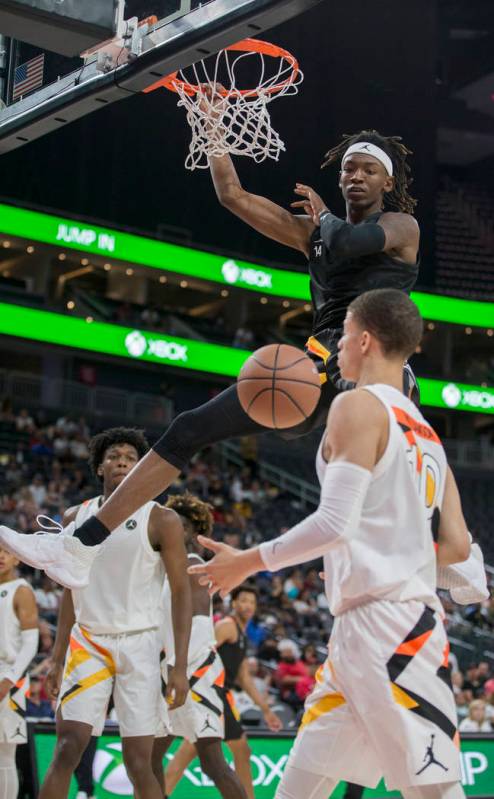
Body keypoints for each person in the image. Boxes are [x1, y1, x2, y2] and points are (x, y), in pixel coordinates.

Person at [0, 130, 426, 588]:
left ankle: (442, 549)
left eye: (369, 170)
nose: (356, 176)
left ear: (387, 182)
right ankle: (80, 546)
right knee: (188, 428)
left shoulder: (402, 227)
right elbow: (232, 195)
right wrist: (214, 132)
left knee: (385, 467)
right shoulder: (316, 234)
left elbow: (348, 242)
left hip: (376, 362)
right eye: (348, 168)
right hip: (317, 361)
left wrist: (322, 216)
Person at [190, 289, 473, 799]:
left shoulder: (356, 405)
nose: (337, 346)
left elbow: (335, 523)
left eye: (342, 335)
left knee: (435, 791)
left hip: (392, 631)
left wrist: (247, 563)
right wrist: (374, 558)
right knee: (299, 788)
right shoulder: (430, 435)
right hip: (368, 628)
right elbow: (454, 546)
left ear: (364, 340)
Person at [39, 427, 192, 799]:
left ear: (143, 468)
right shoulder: (76, 516)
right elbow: (70, 590)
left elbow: (181, 591)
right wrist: (57, 658)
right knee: (66, 749)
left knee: (140, 763)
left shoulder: (162, 520)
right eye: (114, 456)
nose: (122, 460)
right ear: (99, 467)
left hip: (140, 644)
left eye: (130, 457)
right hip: (88, 642)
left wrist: (179, 666)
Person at [152, 492, 246, 799]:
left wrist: (178, 671)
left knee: (212, 762)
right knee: (149, 756)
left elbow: (198, 626)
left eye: (176, 525)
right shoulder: (167, 568)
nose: (168, 530)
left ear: (193, 532)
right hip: (173, 670)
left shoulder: (193, 565)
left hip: (194, 671)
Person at [165, 584, 281, 799]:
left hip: (215, 696)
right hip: (209, 693)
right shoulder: (227, 626)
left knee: (190, 751)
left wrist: (265, 709)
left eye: (252, 602)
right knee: (240, 750)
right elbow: (201, 651)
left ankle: (157, 794)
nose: (248, 605)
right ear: (233, 603)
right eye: (243, 600)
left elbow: (244, 677)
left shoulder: (243, 634)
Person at [0, 546, 39, 799]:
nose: (1, 556)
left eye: (6, 551)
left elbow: (31, 643)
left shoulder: (21, 590)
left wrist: (9, 680)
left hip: (8, 675)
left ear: (17, 556)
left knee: (4, 754)